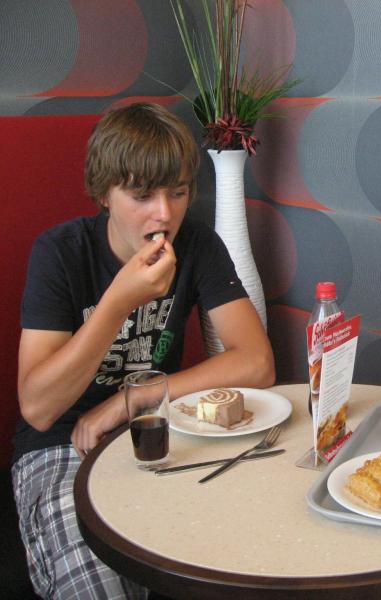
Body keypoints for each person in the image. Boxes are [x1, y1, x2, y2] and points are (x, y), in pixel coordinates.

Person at [12, 102, 276, 599]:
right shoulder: (60, 252)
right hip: (61, 444)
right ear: (104, 194)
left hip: (158, 429)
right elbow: (39, 408)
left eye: (178, 192)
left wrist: (128, 400)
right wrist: (118, 302)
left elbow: (257, 363)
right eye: (142, 196)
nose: (165, 214)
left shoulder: (197, 244)